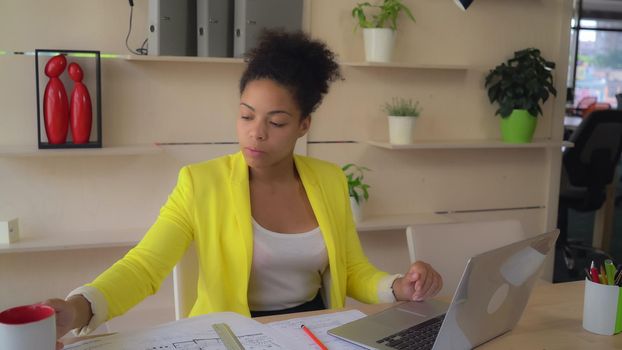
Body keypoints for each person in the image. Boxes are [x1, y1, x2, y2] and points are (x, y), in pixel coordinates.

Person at [44, 30, 442, 348]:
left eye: (278, 121)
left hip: (311, 331)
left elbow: (353, 270)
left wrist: (397, 286)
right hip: (231, 338)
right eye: (246, 115)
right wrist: (78, 309)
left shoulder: (329, 180)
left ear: (304, 125)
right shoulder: (200, 183)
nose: (256, 132)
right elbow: (144, 267)